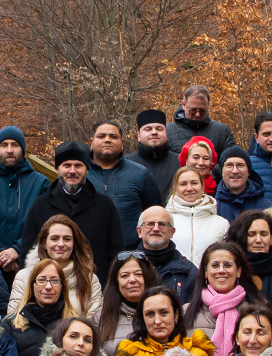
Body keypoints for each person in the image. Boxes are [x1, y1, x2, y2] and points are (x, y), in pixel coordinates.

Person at [19, 141, 125, 274]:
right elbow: (27, 252)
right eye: (67, 165)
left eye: (78, 165)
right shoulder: (40, 206)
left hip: (94, 285)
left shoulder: (105, 205)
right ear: (57, 169)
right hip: (50, 287)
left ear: (87, 169)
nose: (72, 171)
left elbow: (116, 253)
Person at [0, 125, 50, 278]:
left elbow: (45, 223)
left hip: (31, 266)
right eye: (4, 145)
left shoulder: (40, 184)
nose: (10, 150)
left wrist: (17, 249)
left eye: (15, 145)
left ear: (23, 149)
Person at [182, 241, 259, 356]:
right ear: (206, 272)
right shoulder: (186, 312)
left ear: (239, 271)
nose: (221, 270)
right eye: (215, 265)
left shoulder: (256, 311)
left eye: (228, 265)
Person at [9, 214, 102, 321]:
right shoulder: (24, 277)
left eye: (67, 239)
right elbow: (14, 322)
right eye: (54, 239)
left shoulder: (90, 280)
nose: (61, 244)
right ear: (44, 243)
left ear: (74, 244)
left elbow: (95, 325)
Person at [85, 119, 161, 249]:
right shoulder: (79, 174)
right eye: (101, 136)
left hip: (130, 255)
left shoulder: (140, 174)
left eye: (113, 137)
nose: (107, 140)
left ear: (122, 143)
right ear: (91, 143)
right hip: (86, 254)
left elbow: (155, 214)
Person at [5, 258, 70, 356]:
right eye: (41, 280)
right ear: (32, 284)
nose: (48, 286)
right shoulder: (9, 325)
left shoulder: (75, 324)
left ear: (62, 286)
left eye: (54, 280)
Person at [96, 251, 160, 356]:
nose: (132, 280)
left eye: (138, 274)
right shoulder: (99, 318)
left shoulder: (164, 314)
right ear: (116, 281)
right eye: (124, 276)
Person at [135, 207, 199, 302]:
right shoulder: (126, 268)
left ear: (172, 232)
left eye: (162, 224)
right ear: (139, 231)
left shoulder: (188, 271)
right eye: (150, 224)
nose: (156, 229)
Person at [166, 167, 228, 263]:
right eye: (183, 184)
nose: (189, 188)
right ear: (175, 188)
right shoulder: (164, 221)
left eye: (194, 183)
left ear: (202, 187)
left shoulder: (221, 223)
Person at [169, 85, 235, 161]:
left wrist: (209, 168)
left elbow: (230, 162)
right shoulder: (168, 132)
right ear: (184, 105)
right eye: (193, 110)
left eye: (202, 111)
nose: (197, 114)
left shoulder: (222, 131)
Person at [126, 109, 179, 200]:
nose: (154, 132)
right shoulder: (126, 163)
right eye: (148, 129)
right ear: (138, 136)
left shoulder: (180, 162)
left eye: (159, 129)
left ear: (166, 133)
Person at [213, 145, 267, 223]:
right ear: (221, 171)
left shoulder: (268, 208)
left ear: (248, 171)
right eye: (229, 165)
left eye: (240, 165)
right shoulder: (211, 208)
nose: (235, 171)